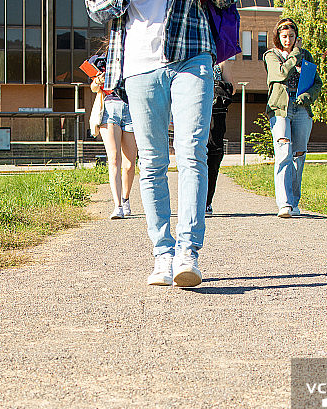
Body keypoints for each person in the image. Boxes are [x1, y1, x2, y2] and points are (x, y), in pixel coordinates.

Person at [86, 0, 231, 287]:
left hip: (192, 50)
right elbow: (96, 8)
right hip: (140, 64)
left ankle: (188, 253)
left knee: (192, 152)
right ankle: (163, 252)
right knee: (152, 162)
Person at [263, 18, 322, 218]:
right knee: (283, 152)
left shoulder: (306, 56)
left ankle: (294, 202)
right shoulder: (272, 55)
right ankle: (284, 204)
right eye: (284, 36)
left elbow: (317, 82)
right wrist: (294, 56)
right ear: (278, 37)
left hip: (301, 109)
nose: (288, 40)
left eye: (291, 36)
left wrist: (309, 96)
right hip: (280, 109)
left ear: (296, 36)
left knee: (298, 155)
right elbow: (279, 74)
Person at [90, 66, 138, 219]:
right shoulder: (103, 61)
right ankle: (117, 206)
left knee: (130, 164)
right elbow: (93, 87)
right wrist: (98, 80)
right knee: (114, 158)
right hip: (110, 109)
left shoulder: (132, 55)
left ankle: (125, 198)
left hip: (131, 108)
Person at [206, 59, 235, 216]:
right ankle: (194, 201)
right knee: (194, 155)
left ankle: (207, 201)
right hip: (193, 110)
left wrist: (217, 85)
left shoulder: (222, 60)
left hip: (215, 112)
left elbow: (232, 88)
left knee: (214, 155)